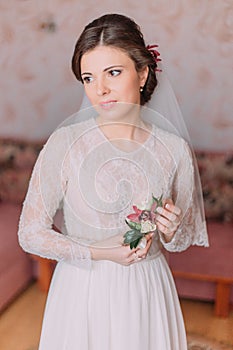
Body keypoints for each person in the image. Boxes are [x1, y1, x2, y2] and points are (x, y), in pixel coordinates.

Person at [18, 13, 209, 350]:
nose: (100, 89)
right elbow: (30, 233)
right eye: (88, 78)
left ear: (142, 73)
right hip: (80, 290)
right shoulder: (65, 145)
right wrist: (98, 253)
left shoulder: (174, 150)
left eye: (113, 72)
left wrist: (171, 228)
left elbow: (180, 241)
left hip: (147, 288)